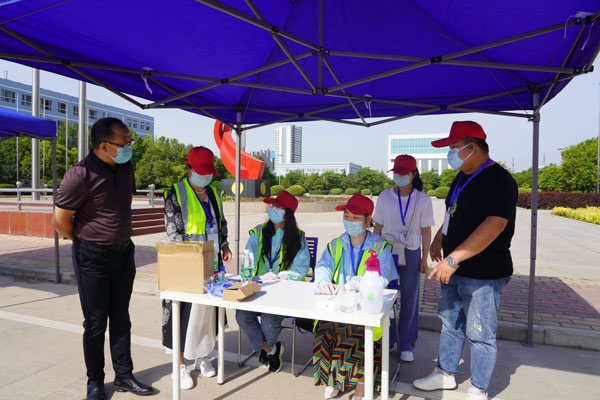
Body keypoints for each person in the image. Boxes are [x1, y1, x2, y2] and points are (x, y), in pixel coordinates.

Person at [412, 121, 517, 400]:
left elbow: (495, 224)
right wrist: (439, 238)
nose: (450, 153)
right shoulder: (461, 177)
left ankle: (479, 388)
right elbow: (452, 212)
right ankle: (445, 373)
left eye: (454, 147)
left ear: (472, 148)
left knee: (480, 332)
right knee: (450, 323)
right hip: (453, 269)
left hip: (483, 274)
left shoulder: (499, 180)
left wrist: (453, 259)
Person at [52, 117, 154, 400]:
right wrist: (88, 240)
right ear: (104, 145)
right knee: (96, 323)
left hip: (124, 252)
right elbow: (60, 221)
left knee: (121, 318)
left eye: (130, 141)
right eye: (125, 142)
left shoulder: (125, 166)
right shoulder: (79, 175)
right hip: (92, 257)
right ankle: (95, 381)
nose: (129, 146)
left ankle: (124, 375)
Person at [313, 194, 398, 400]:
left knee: (355, 331)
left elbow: (384, 278)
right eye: (346, 216)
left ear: (368, 220)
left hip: (367, 306)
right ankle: (334, 379)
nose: (349, 221)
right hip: (339, 303)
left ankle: (362, 382)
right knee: (324, 326)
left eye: (355, 217)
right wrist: (323, 281)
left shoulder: (380, 247)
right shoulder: (336, 244)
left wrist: (355, 284)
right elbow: (323, 266)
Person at [161, 146, 232, 390]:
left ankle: (202, 356)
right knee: (184, 315)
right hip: (187, 264)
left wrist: (224, 244)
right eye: (201, 172)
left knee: (208, 313)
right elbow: (173, 231)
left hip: (212, 264)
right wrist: (190, 261)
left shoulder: (214, 192)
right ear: (189, 169)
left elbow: (220, 222)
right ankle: (179, 365)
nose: (205, 177)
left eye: (208, 172)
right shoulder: (176, 193)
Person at [236, 190, 310, 373]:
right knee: (242, 315)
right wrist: (253, 276)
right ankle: (271, 349)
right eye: (273, 206)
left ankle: (265, 348)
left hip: (284, 292)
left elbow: (301, 268)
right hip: (259, 288)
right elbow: (248, 257)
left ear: (288, 214)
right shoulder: (259, 232)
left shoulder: (298, 237)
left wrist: (281, 276)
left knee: (269, 321)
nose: (272, 209)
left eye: (278, 207)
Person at [373, 154, 434, 362]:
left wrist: (424, 258)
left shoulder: (423, 199)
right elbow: (378, 226)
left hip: (411, 251)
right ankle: (387, 339)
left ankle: (406, 344)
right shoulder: (384, 196)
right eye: (396, 173)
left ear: (413, 174)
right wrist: (373, 253)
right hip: (386, 251)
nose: (398, 176)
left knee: (410, 298)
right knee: (385, 295)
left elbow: (426, 230)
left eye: (403, 173)